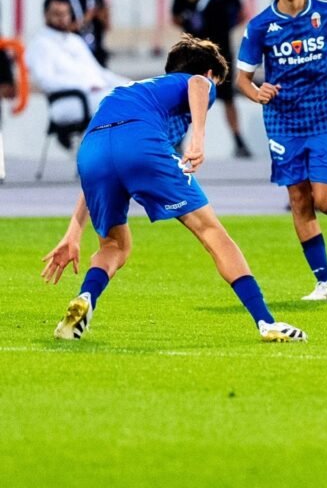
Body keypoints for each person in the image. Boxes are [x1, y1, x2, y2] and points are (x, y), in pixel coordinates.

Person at [41, 34, 306, 343]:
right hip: (140, 144)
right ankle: (266, 322)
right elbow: (197, 84)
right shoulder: (198, 80)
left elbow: (106, 157)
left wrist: (73, 232)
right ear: (211, 74)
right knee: (212, 233)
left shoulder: (135, 91)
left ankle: (85, 297)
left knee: (114, 246)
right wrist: (198, 138)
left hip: (92, 151)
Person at [236, 0, 327, 302]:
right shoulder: (261, 25)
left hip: (323, 114)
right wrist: (256, 92)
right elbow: (243, 78)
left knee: (323, 199)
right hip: (282, 120)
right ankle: (325, 283)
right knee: (298, 198)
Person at [172, 0, 252, 158]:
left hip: (220, 51)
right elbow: (175, 16)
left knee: (227, 97)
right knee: (186, 97)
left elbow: (243, 12)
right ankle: (179, 140)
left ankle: (238, 139)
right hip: (193, 52)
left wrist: (225, 26)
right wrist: (189, 21)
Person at [26, 0, 128, 132]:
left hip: (95, 94)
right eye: (57, 14)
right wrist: (86, 86)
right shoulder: (40, 44)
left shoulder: (75, 40)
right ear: (46, 15)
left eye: (66, 13)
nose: (62, 18)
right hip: (69, 101)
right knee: (123, 102)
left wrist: (131, 85)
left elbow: (99, 72)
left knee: (140, 95)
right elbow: (45, 81)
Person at [65, 0, 111, 66]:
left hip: (96, 51)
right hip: (73, 52)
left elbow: (107, 27)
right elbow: (64, 30)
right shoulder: (65, 1)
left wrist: (103, 17)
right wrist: (86, 18)